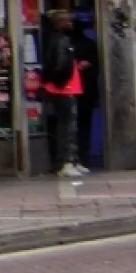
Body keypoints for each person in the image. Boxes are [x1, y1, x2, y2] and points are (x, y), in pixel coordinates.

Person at [43, 11, 89, 178]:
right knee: (67, 127)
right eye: (67, 21)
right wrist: (61, 82)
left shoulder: (60, 39)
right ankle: (66, 162)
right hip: (63, 89)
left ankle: (72, 160)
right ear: (59, 23)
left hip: (65, 87)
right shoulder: (61, 40)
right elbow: (59, 65)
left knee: (69, 126)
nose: (70, 23)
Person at [73, 19, 101, 169]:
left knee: (73, 125)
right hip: (87, 91)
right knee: (85, 125)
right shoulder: (90, 44)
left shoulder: (70, 44)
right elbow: (98, 68)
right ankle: (84, 156)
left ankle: (75, 157)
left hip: (73, 91)